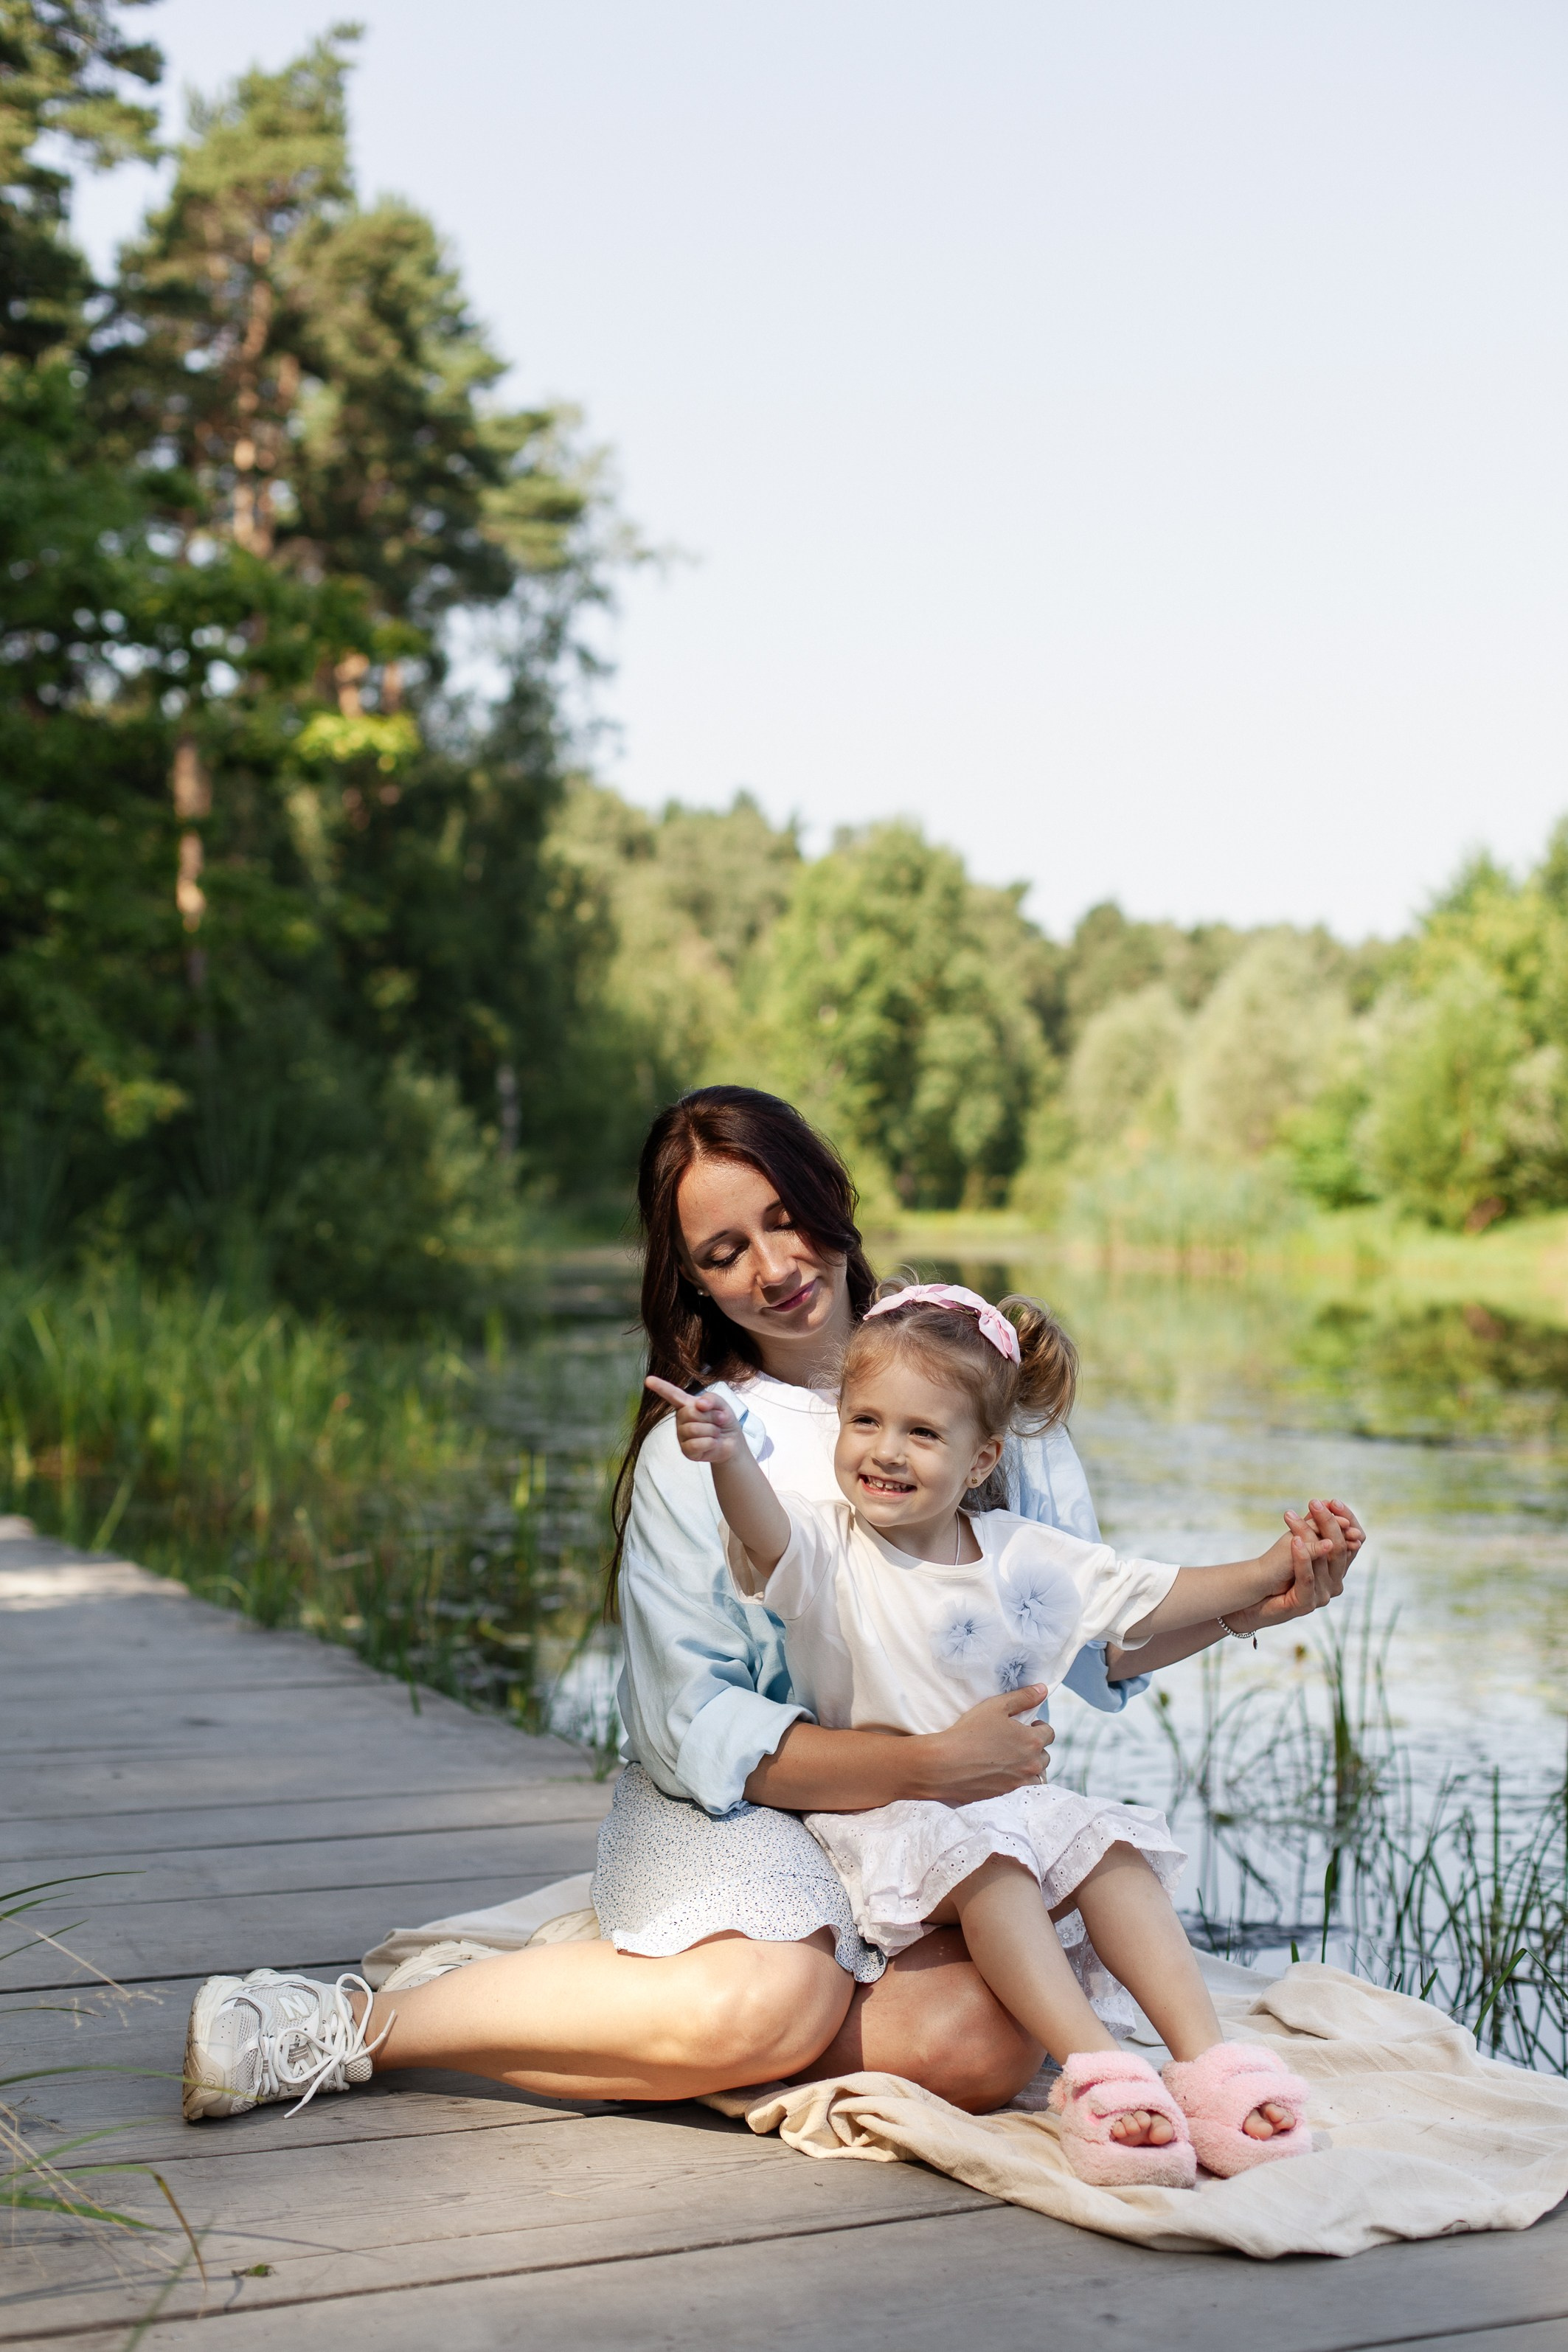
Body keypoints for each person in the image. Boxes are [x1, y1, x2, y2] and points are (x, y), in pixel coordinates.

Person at [182, 1088, 1360, 2126]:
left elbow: (1094, 1641)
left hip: (928, 1828)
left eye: (784, 1217)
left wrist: (1262, 1600)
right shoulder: (702, 1450)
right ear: (692, 1278)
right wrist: (927, 1764)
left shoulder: (976, 1392)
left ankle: (667, 2027)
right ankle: (353, 2025)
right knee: (779, 1994)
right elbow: (696, 1736)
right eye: (724, 1249)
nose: (772, 1265)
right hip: (745, 1806)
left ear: (831, 1200)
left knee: (988, 2044)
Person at [647, 1279, 1333, 2185]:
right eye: (864, 1422)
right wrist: (728, 1454)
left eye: (921, 1433)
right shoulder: (825, 1549)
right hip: (885, 1815)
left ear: (979, 1460)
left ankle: (1208, 2067)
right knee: (993, 1869)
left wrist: (1270, 1569)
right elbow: (761, 1530)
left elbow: (1147, 1594)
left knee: (1109, 1847)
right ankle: (1102, 2076)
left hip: (1003, 1808)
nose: (884, 1452)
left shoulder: (1020, 1553)